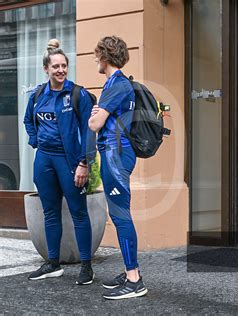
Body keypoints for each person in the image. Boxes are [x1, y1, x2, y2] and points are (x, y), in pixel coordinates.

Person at [24, 39, 95, 285]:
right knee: (50, 213)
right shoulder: (38, 95)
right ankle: (53, 264)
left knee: (79, 213)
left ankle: (86, 266)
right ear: (46, 69)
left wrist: (84, 163)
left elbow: (90, 130)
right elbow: (28, 121)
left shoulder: (78, 94)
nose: (61, 70)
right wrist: (35, 141)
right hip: (44, 159)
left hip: (70, 161)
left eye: (64, 66)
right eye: (56, 66)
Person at [88, 35, 147, 300]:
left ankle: (134, 280)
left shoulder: (117, 85)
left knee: (121, 214)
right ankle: (128, 270)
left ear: (105, 56)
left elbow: (94, 124)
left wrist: (97, 114)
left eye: (97, 55)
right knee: (120, 212)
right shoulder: (117, 83)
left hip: (116, 156)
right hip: (116, 154)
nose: (95, 60)